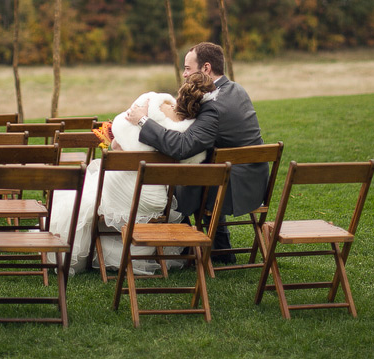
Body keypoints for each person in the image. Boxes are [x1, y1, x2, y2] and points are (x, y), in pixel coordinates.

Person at [48, 72, 217, 275]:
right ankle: (127, 249)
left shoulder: (150, 101)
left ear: (182, 91)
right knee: (97, 184)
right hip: (157, 202)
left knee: (93, 185)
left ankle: (86, 242)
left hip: (129, 192)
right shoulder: (190, 133)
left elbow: (117, 145)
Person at [124, 42, 267, 263]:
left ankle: (186, 249)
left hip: (231, 187)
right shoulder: (236, 89)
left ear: (206, 69)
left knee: (165, 183)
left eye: (188, 68)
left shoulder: (214, 105)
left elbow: (182, 147)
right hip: (253, 180)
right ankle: (220, 251)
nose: (184, 74)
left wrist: (143, 121)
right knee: (202, 171)